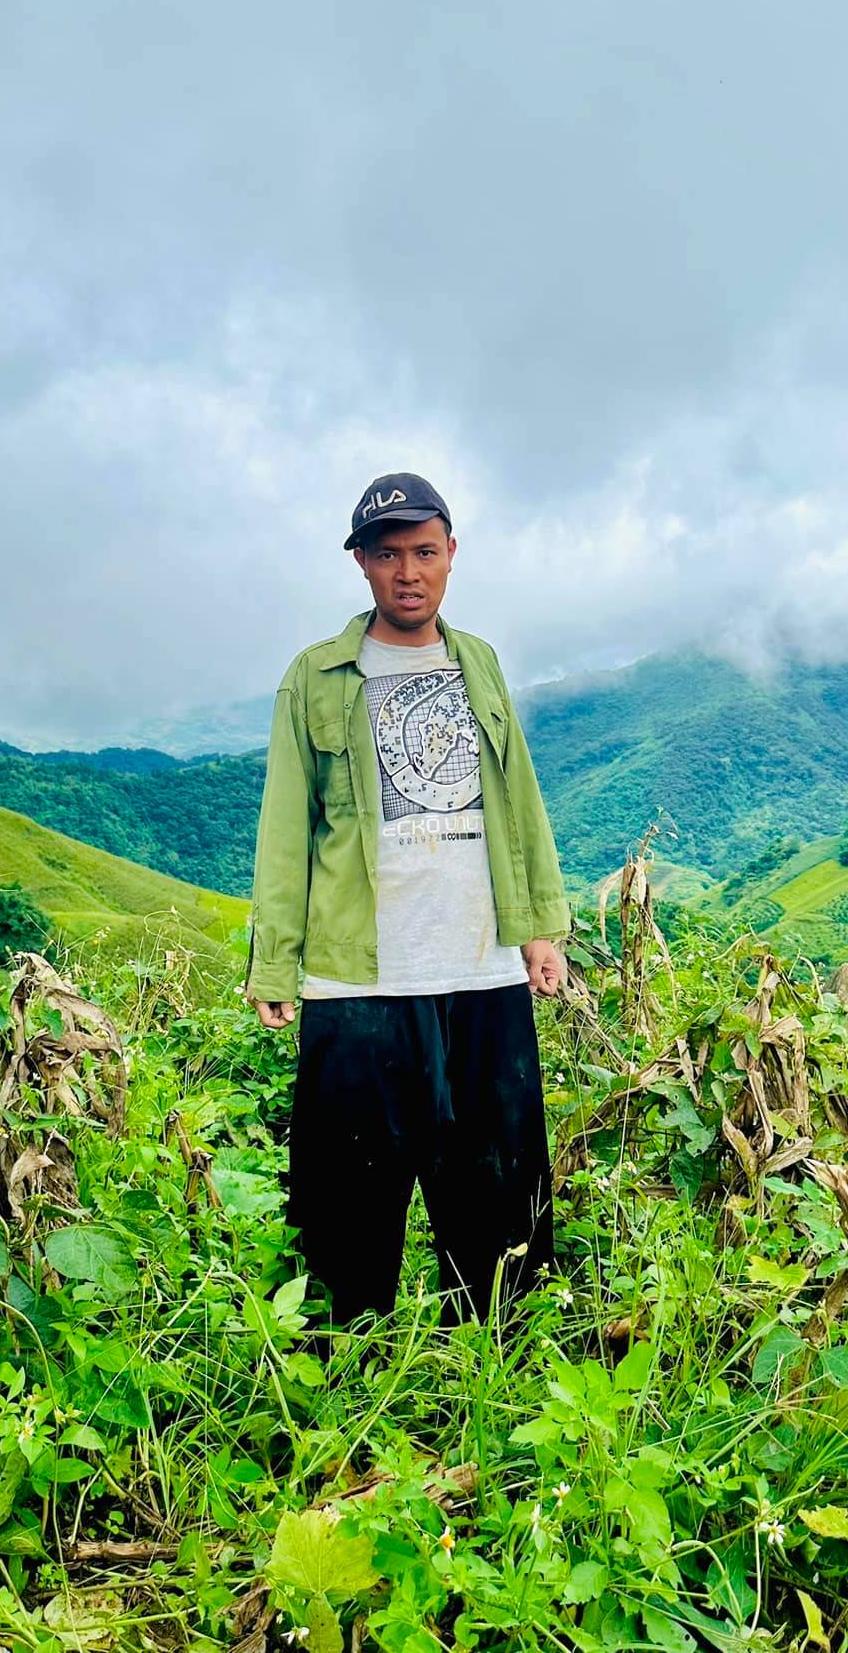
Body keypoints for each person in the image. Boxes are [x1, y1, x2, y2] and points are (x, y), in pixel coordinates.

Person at [245, 471, 571, 1327]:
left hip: (483, 967)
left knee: (501, 1202)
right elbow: (285, 828)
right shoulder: (315, 677)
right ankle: (346, 1375)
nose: (408, 573)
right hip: (358, 982)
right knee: (345, 1210)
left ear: (451, 553)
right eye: (387, 555)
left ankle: (498, 1364)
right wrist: (274, 961)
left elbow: (519, 798)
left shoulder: (479, 663)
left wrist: (539, 929)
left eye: (424, 552)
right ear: (361, 562)